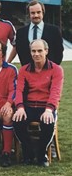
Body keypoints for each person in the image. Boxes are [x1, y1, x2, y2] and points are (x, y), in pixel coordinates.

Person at [12, 39, 64, 167]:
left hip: (46, 106)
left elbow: (55, 91)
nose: (36, 54)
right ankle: (28, 152)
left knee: (47, 121)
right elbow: (18, 91)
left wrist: (49, 109)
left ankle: (42, 155)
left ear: (46, 51)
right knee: (17, 121)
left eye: (40, 50)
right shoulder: (24, 70)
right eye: (33, 51)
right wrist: (19, 107)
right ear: (30, 53)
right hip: (29, 106)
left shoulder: (56, 69)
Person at [8, 0, 63, 65]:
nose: (36, 15)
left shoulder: (54, 31)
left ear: (43, 12)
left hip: (48, 72)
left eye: (38, 12)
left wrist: (51, 69)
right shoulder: (21, 33)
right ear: (29, 14)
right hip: (28, 73)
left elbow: (59, 52)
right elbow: (20, 52)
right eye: (33, 13)